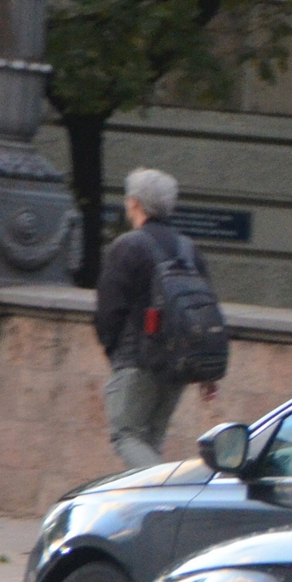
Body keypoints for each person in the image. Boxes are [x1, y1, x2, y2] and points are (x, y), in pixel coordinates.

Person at [92, 166, 217, 470]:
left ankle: (161, 494)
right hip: (179, 362)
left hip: (137, 359)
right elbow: (206, 307)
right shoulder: (188, 250)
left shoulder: (128, 246)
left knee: (127, 436)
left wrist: (115, 353)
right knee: (151, 438)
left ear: (134, 203)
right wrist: (206, 370)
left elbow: (109, 310)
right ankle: (149, 513)